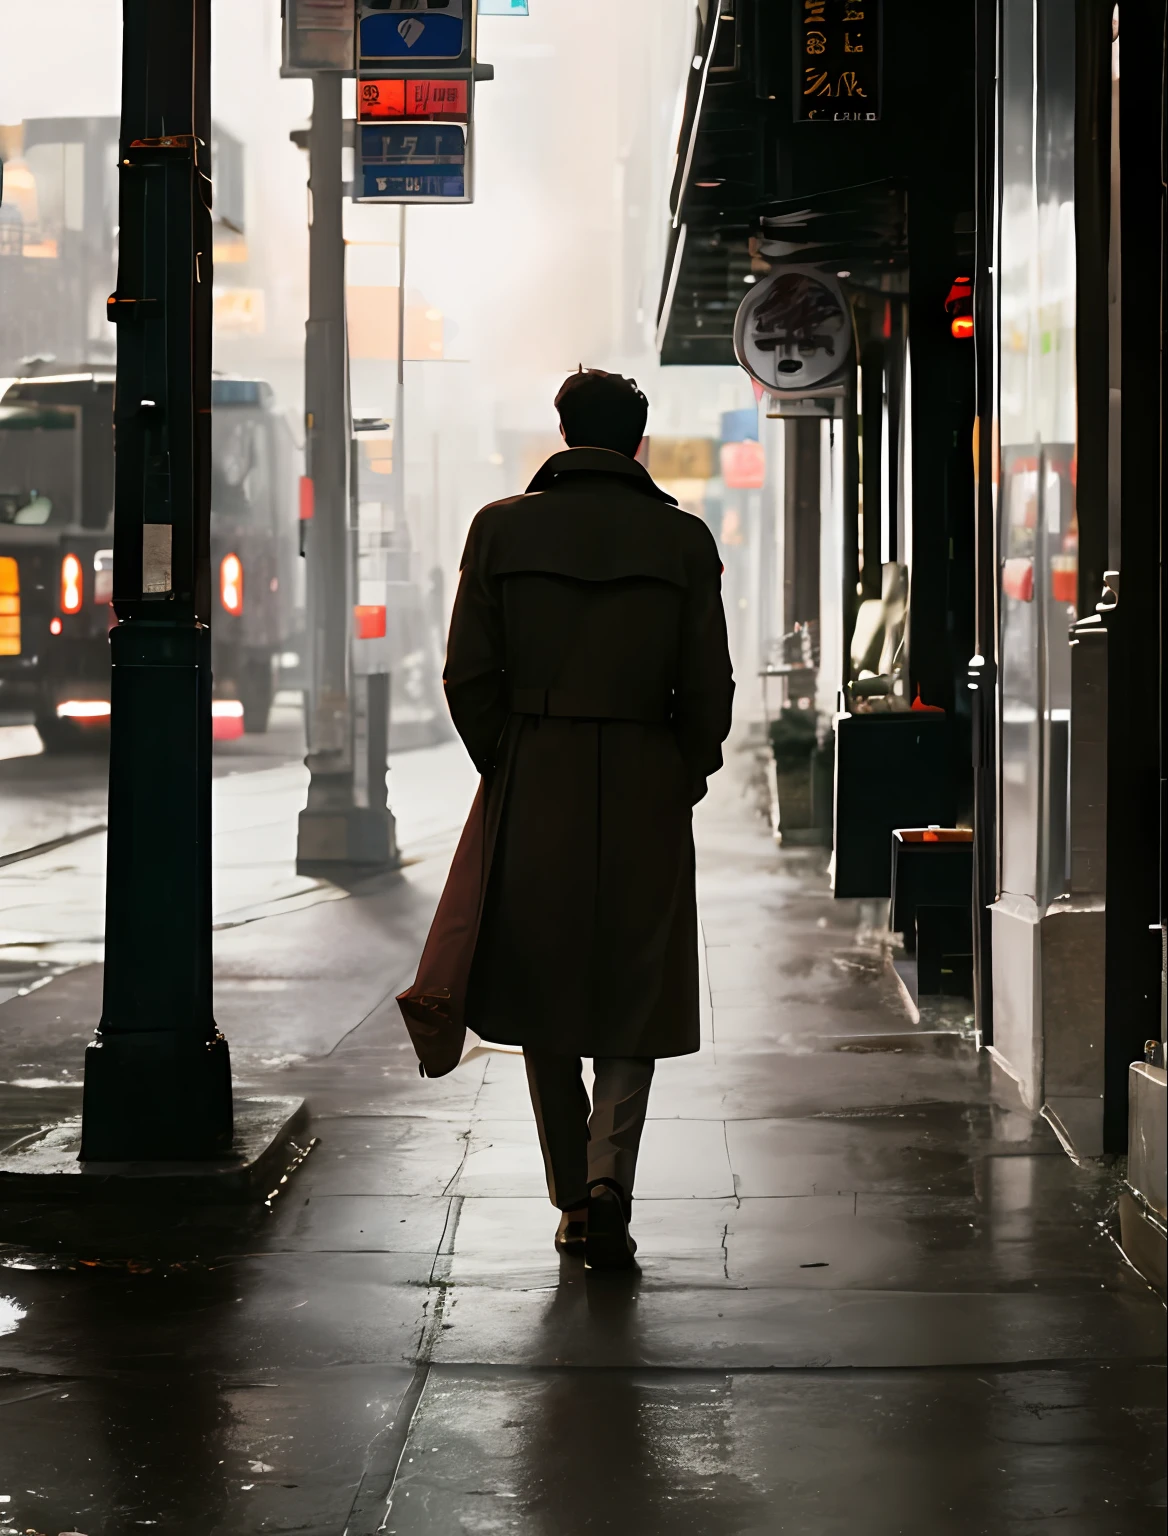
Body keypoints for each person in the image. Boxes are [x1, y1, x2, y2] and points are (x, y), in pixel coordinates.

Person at [442, 368, 734, 1268]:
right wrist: (674, 771)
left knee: (547, 980)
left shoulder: (500, 530)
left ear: (562, 430)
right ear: (639, 443)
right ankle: (611, 1179)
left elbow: (467, 678)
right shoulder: (682, 540)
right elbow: (711, 692)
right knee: (633, 985)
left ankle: (571, 1189)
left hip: (537, 771)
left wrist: (518, 756)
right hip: (647, 772)